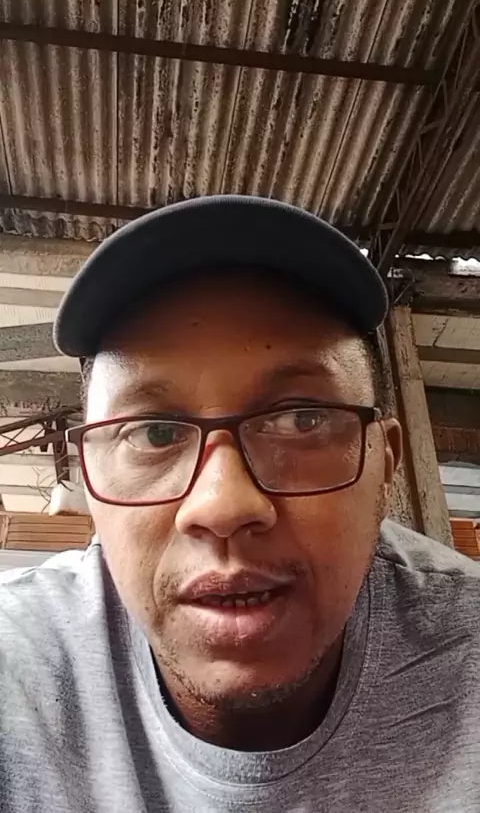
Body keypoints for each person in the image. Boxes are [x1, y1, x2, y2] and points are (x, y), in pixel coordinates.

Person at [0, 195, 479, 813]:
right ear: (90, 477)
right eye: (155, 433)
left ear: (384, 463)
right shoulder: (18, 666)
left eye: (301, 420)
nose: (223, 506)